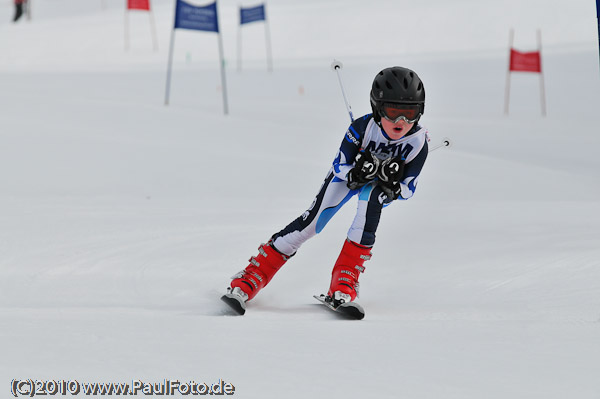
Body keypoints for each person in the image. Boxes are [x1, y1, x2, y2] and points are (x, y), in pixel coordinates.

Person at [223, 66, 429, 313]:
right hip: (346, 178)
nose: (401, 122)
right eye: (393, 112)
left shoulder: (418, 142)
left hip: (377, 186)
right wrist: (356, 172)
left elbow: (409, 189)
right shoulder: (362, 128)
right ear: (377, 108)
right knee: (311, 225)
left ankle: (344, 280)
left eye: (410, 113)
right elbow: (340, 165)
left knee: (371, 202)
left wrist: (393, 184)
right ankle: (253, 274)